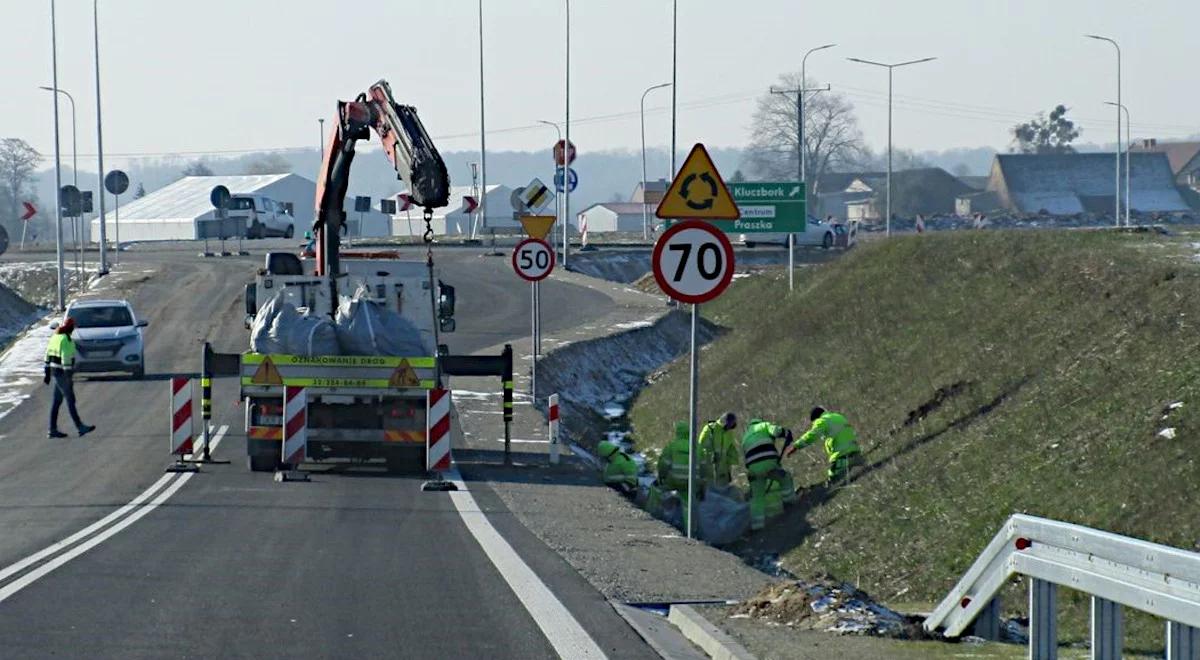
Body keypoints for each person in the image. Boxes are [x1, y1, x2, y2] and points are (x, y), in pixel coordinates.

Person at [44, 318, 95, 439]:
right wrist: (68, 375)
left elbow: (47, 354)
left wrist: (46, 372)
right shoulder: (66, 339)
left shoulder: (55, 337)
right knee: (70, 400)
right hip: (62, 373)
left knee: (57, 401)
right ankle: (80, 427)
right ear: (71, 328)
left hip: (54, 371)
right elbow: (65, 357)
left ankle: (52, 430)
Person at [741, 419, 796, 530]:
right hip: (769, 462)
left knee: (757, 496)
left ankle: (757, 526)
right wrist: (786, 433)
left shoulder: (745, 437)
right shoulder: (763, 426)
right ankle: (790, 505)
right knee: (785, 478)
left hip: (753, 469)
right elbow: (776, 431)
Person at [788, 407, 862, 486]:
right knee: (860, 473)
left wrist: (796, 446)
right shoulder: (837, 416)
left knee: (833, 482)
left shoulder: (822, 421)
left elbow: (812, 435)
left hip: (842, 455)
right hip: (855, 451)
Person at [657, 421, 709, 525]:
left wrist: (661, 478)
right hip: (693, 482)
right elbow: (704, 468)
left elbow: (663, 465)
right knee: (689, 503)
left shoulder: (672, 446)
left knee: (664, 497)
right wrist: (703, 484)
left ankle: (667, 519)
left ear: (677, 432)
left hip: (674, 482)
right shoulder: (698, 448)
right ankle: (689, 526)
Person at [699, 412, 740, 489]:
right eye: (729, 424)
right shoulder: (711, 428)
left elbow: (730, 452)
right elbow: (701, 446)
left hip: (722, 471)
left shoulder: (729, 434)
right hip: (709, 468)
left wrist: (729, 470)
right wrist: (711, 455)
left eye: (731, 425)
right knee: (709, 490)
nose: (729, 427)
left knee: (722, 491)